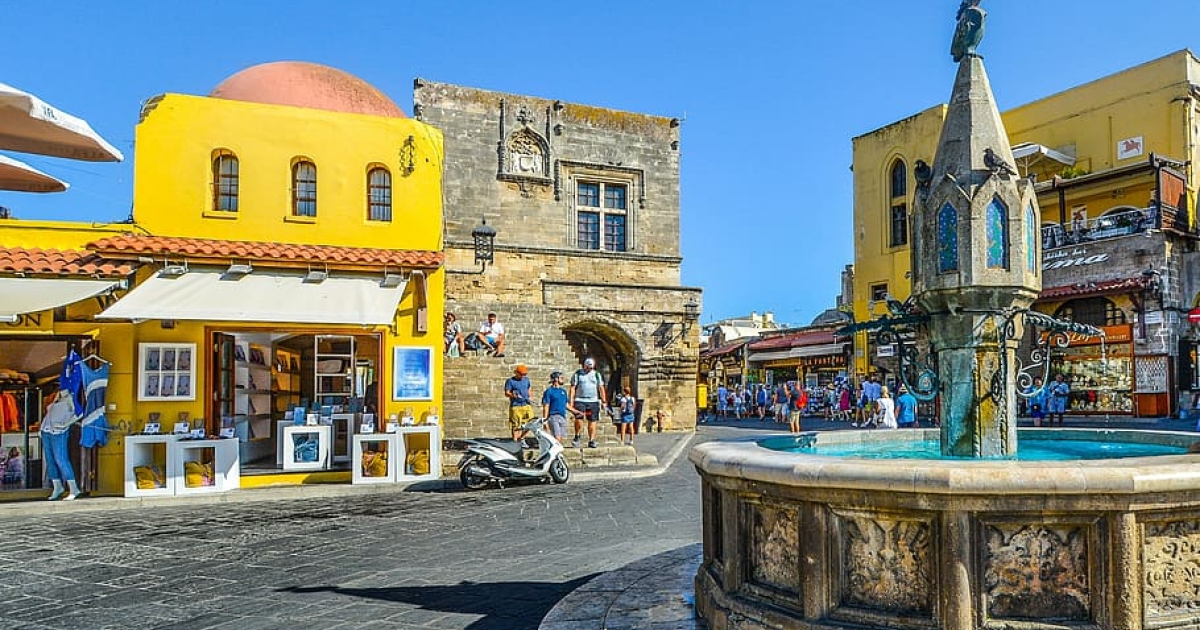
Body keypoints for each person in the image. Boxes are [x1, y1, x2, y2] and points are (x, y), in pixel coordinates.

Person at [569, 358, 607, 448]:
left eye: (591, 368)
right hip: (580, 400)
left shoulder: (596, 374)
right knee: (579, 419)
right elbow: (573, 388)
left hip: (593, 401)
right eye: (588, 367)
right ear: (584, 366)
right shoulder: (578, 374)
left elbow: (601, 387)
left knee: (592, 420)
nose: (589, 369)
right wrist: (571, 401)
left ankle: (591, 440)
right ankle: (577, 436)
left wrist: (604, 401)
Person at [504, 364, 533, 441]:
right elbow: (507, 393)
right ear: (517, 373)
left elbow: (529, 387)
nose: (523, 376)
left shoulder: (526, 380)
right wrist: (513, 395)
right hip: (516, 406)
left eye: (525, 374)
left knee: (531, 422)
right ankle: (515, 441)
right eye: (522, 374)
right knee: (515, 425)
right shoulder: (510, 381)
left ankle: (522, 438)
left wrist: (530, 396)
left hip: (526, 404)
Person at [541, 371, 571, 444]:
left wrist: (576, 412)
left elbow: (566, 405)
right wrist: (545, 421)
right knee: (557, 438)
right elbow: (546, 406)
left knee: (560, 439)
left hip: (562, 417)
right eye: (561, 378)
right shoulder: (549, 391)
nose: (563, 379)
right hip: (553, 417)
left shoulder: (563, 391)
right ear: (556, 379)